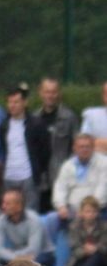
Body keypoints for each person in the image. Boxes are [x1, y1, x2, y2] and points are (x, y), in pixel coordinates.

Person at [44, 134, 107, 243]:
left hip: (95, 210)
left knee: (75, 224)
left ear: (93, 148)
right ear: (74, 148)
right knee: (49, 219)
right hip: (71, 210)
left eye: (87, 146)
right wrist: (61, 206)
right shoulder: (68, 165)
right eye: (81, 146)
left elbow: (102, 190)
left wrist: (86, 209)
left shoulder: (103, 163)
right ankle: (51, 251)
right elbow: (60, 187)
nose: (84, 149)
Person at [0, 87, 50, 211]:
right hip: (9, 175)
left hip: (29, 176)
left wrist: (38, 169)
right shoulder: (4, 125)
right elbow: (3, 147)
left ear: (25, 102)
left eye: (16, 102)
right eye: (10, 102)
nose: (13, 105)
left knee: (30, 211)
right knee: (9, 211)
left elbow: (45, 150)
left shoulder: (37, 124)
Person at [33, 78, 79, 212]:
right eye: (47, 92)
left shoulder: (69, 117)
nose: (50, 96)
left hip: (61, 174)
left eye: (53, 92)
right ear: (40, 93)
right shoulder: (34, 118)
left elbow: (76, 146)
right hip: (40, 176)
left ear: (59, 94)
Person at [0, 189, 55, 266]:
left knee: (34, 263)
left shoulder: (33, 220)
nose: (3, 206)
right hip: (18, 254)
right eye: (3, 203)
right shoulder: (1, 220)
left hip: (42, 254)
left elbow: (34, 249)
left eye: (7, 204)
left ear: (19, 206)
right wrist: (15, 258)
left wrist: (15, 257)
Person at [64, 196, 107, 266]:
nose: (90, 214)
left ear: (97, 213)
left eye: (93, 211)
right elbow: (74, 249)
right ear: (81, 212)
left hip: (101, 259)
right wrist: (85, 251)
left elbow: (105, 248)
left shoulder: (104, 227)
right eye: (87, 211)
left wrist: (95, 249)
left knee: (95, 257)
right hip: (80, 261)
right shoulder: (74, 227)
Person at [80, 81, 107, 154]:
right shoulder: (91, 115)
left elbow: (91, 143)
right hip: (96, 164)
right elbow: (85, 144)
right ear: (103, 96)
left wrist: (97, 142)